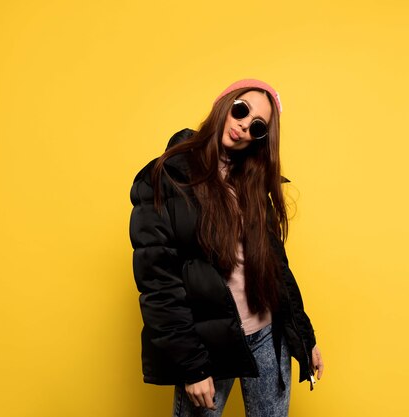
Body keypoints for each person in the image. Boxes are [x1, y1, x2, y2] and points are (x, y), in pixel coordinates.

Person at [129, 79, 324, 417]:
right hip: (208, 344)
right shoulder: (167, 176)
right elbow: (158, 283)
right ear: (224, 105)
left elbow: (275, 267)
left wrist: (304, 338)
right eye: (241, 110)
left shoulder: (251, 182)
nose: (244, 126)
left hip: (268, 336)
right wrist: (191, 366)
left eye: (257, 127)